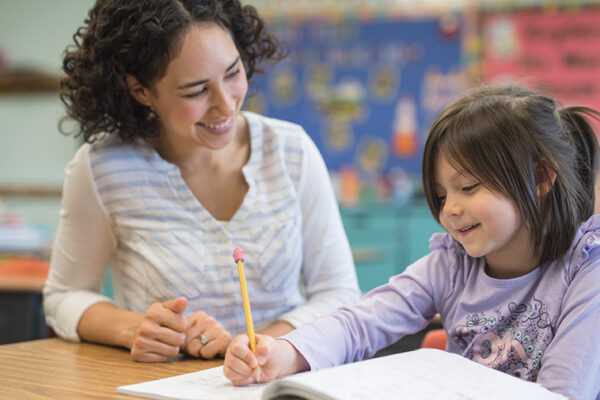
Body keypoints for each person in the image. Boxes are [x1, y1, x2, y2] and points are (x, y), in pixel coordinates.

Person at [224, 85, 600, 400]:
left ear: (539, 177)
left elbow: (564, 392)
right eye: (439, 195)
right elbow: (361, 323)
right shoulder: (451, 265)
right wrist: (285, 352)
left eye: (468, 187)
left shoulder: (587, 267)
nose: (450, 209)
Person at [43, 0, 360, 363]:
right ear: (140, 90)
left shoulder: (291, 151)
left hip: (279, 380)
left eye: (232, 72)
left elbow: (339, 292)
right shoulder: (102, 169)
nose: (226, 105)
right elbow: (65, 295)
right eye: (196, 91)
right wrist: (132, 328)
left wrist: (261, 345)